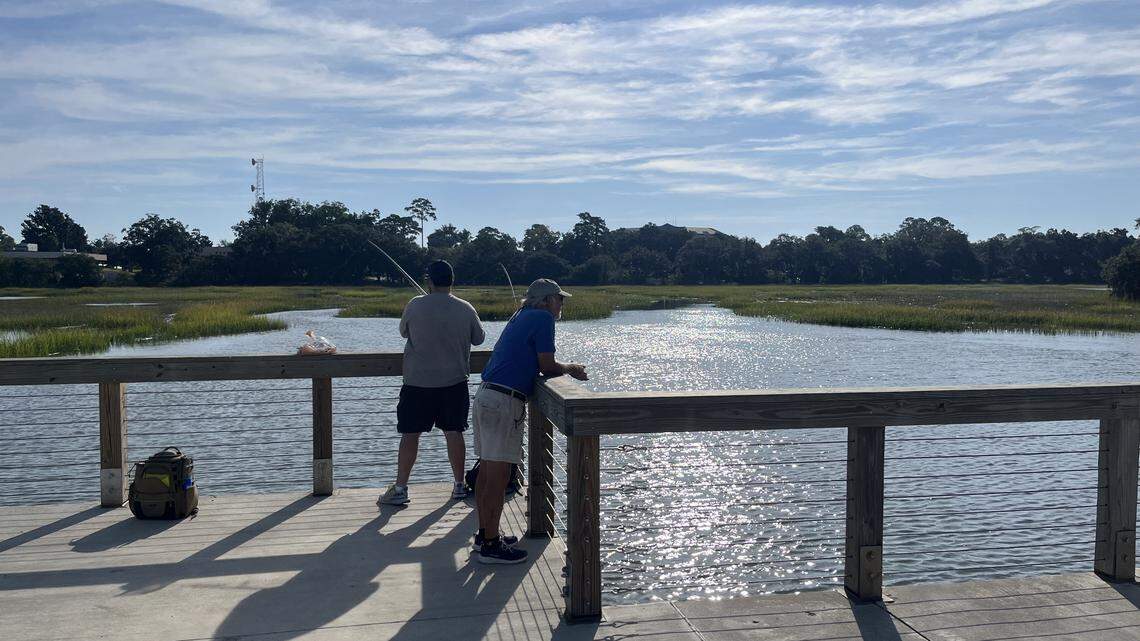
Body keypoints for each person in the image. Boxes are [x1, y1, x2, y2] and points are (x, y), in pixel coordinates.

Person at [472, 278, 588, 564]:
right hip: (504, 403)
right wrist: (571, 368)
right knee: (498, 478)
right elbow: (546, 365)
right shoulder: (542, 318)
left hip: (487, 395)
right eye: (560, 299)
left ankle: (485, 534)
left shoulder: (521, 315)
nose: (562, 304)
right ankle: (490, 546)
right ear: (547, 300)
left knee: (487, 473)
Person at [379, 260, 485, 506]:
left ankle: (401, 488)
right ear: (452, 281)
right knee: (454, 432)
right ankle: (459, 485)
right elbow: (478, 339)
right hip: (454, 382)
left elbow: (403, 332)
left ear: (429, 281)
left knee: (410, 434)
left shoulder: (415, 305)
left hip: (417, 383)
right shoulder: (465, 308)